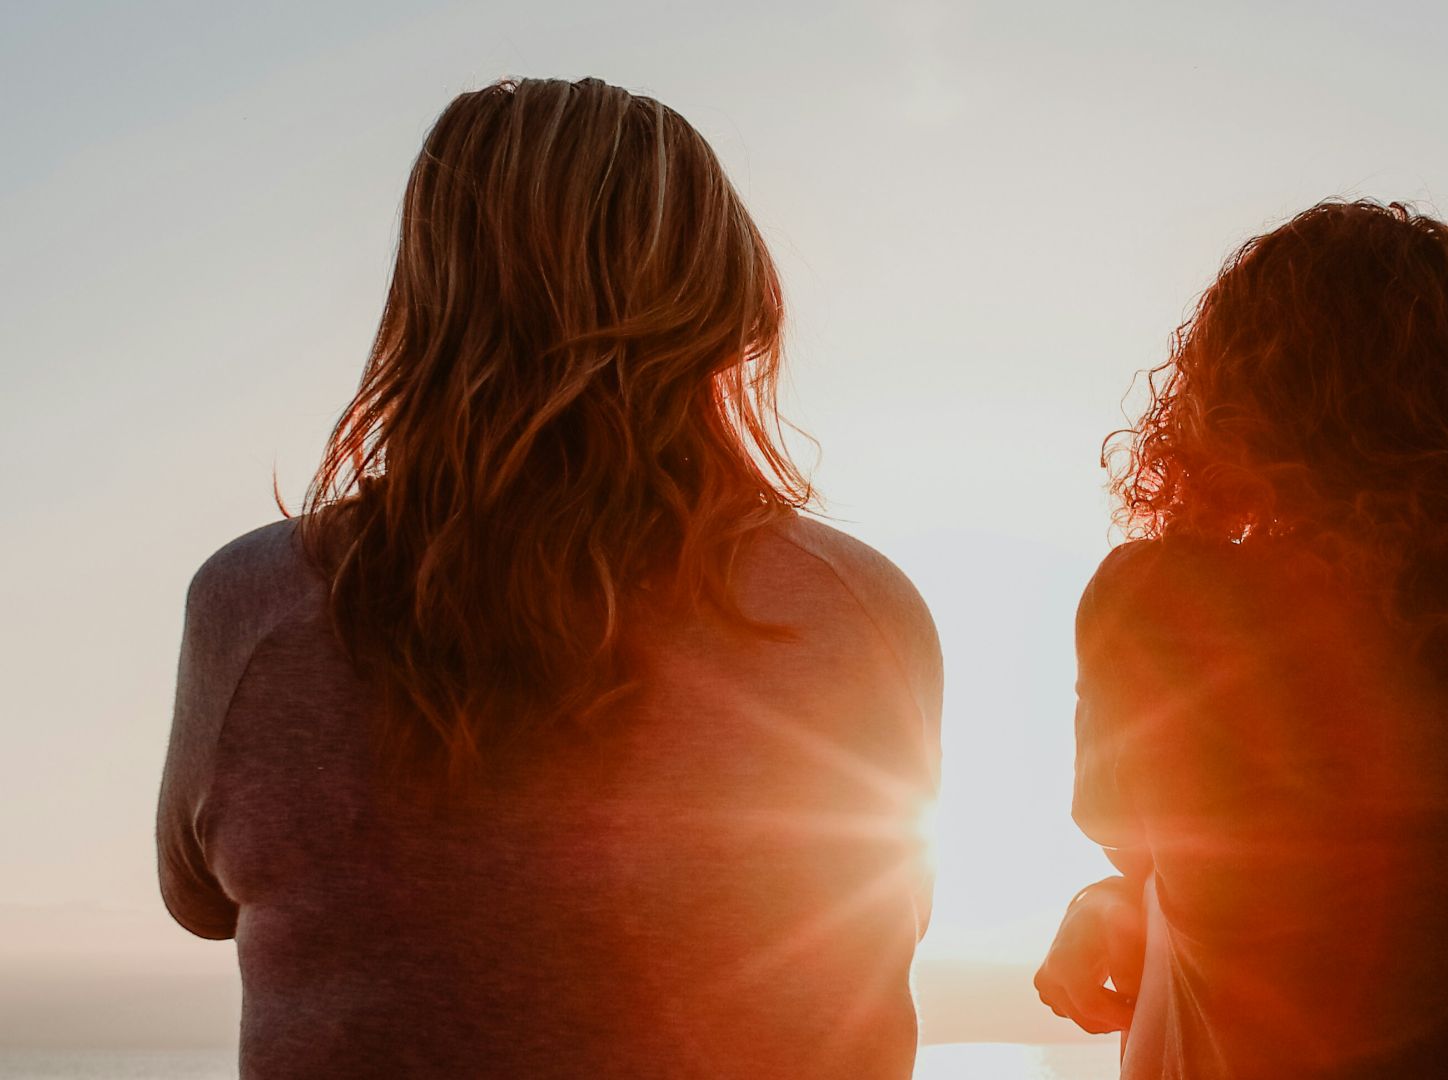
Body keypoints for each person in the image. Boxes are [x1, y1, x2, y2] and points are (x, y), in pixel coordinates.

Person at [156, 77, 941, 1080]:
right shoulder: (857, 606)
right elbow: (890, 918)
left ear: (428, 291)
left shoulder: (259, 599)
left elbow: (198, 900)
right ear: (725, 290)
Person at [1034, 201, 1448, 1078]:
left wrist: (1114, 894)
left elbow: (1134, 835)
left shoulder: (1163, 604)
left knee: (1168, 918)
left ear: (1230, 408)